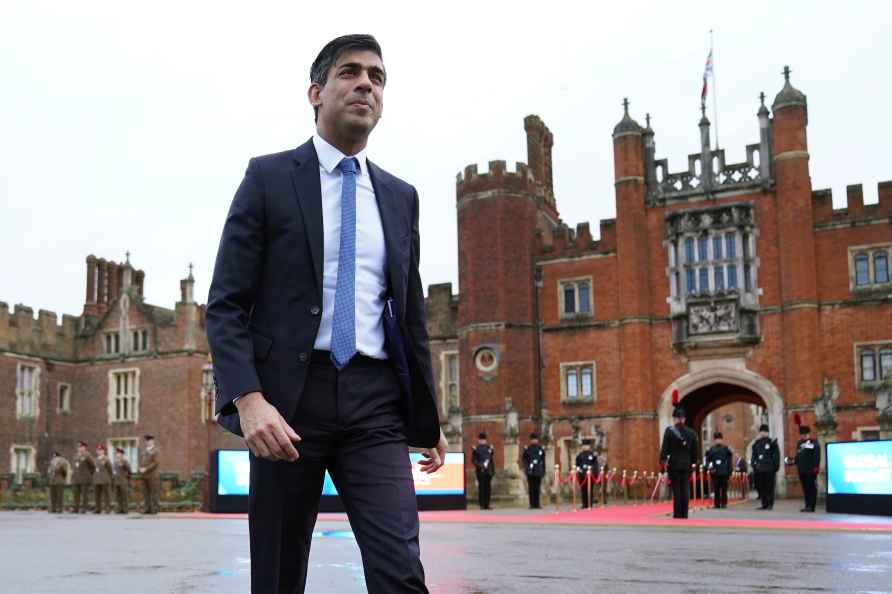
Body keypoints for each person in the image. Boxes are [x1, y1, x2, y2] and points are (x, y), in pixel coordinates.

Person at [206, 34, 445, 594]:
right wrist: (248, 399)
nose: (366, 84)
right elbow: (226, 303)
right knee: (279, 574)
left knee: (401, 571)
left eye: (377, 77)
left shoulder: (400, 196)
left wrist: (426, 415)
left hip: (375, 402)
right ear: (316, 92)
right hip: (288, 403)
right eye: (350, 73)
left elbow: (410, 315)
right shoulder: (268, 178)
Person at [660, 407, 698, 519]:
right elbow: (695, 451)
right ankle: (685, 514)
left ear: (675, 419)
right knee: (685, 489)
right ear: (684, 419)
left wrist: (663, 464)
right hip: (687, 464)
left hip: (674, 464)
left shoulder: (669, 431)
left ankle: (678, 514)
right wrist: (693, 463)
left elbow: (664, 449)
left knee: (677, 489)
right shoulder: (691, 433)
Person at [787, 425, 820, 512]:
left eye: (803, 434)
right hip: (802, 469)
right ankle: (807, 505)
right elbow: (798, 456)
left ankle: (811, 506)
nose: (802, 436)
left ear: (807, 434)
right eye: (801, 434)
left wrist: (816, 466)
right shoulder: (799, 443)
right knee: (805, 488)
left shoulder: (813, 442)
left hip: (810, 469)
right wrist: (792, 462)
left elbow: (816, 455)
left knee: (811, 488)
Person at [751, 424, 780, 510]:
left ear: (768, 432)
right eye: (762, 432)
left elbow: (776, 455)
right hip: (759, 468)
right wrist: (754, 464)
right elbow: (754, 455)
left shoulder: (772, 442)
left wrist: (775, 466)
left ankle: (770, 504)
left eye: (765, 432)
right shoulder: (757, 443)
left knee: (769, 487)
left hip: (769, 468)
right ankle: (764, 504)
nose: (763, 433)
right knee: (762, 486)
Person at [705, 432, 732, 509]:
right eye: (717, 439)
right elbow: (707, 460)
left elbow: (729, 461)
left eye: (719, 439)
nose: (718, 441)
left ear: (722, 440)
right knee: (716, 489)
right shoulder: (711, 449)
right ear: (714, 440)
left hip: (724, 471)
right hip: (715, 471)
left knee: (724, 489)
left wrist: (729, 471)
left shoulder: (726, 449)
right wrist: (710, 468)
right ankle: (716, 504)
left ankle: (724, 503)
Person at [522, 432, 546, 509]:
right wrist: (527, 469)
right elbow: (525, 460)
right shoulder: (528, 449)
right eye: (533, 439)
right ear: (531, 440)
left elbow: (543, 460)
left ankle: (537, 504)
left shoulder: (540, 449)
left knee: (537, 488)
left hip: (538, 470)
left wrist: (543, 470)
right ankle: (532, 504)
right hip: (530, 471)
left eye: (535, 439)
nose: (534, 441)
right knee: (531, 488)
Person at [471, 432, 494, 510]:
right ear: (479, 440)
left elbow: (491, 460)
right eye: (481, 439)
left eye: (483, 439)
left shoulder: (489, 448)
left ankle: (487, 504)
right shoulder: (476, 449)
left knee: (488, 488)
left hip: (488, 471)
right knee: (481, 488)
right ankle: (481, 504)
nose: (482, 441)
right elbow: (474, 460)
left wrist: (492, 471)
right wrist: (480, 465)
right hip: (480, 470)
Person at [71, 441, 95, 514]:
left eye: (81, 447)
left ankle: (84, 508)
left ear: (85, 447)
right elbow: (74, 466)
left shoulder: (87, 455)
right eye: (78, 447)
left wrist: (88, 474)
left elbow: (93, 466)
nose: (79, 448)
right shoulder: (75, 456)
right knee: (76, 494)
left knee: (84, 494)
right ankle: (76, 508)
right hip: (76, 478)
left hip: (84, 478)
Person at [138, 434, 160, 515]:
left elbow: (156, 462)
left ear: (153, 441)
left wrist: (146, 469)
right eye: (147, 441)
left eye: (150, 440)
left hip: (152, 475)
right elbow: (141, 461)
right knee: (145, 493)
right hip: (143, 475)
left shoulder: (155, 450)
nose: (148, 442)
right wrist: (139, 468)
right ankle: (147, 508)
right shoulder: (144, 451)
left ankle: (155, 508)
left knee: (153, 492)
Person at [575, 439, 599, 509]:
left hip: (590, 475)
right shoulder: (580, 455)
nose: (585, 447)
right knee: (583, 489)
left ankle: (590, 503)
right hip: (582, 474)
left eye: (587, 446)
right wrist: (579, 470)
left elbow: (595, 464)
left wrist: (593, 472)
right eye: (584, 446)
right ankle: (584, 503)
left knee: (590, 489)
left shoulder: (592, 455)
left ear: (589, 446)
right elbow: (577, 464)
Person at [93, 444, 113, 514]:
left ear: (104, 451)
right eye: (98, 450)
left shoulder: (106, 459)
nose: (99, 451)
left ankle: (107, 509)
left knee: (106, 495)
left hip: (105, 479)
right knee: (97, 495)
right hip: (96, 479)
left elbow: (110, 469)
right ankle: (98, 508)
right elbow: (93, 469)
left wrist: (109, 477)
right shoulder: (95, 459)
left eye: (101, 450)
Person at [113, 447, 132, 514]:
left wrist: (127, 478)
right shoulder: (115, 462)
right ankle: (119, 509)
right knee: (118, 496)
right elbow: (114, 471)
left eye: (119, 453)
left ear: (122, 454)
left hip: (123, 481)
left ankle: (125, 509)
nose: (117, 454)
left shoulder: (125, 461)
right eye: (117, 453)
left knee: (124, 496)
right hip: (116, 481)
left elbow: (129, 470)